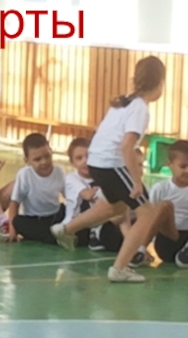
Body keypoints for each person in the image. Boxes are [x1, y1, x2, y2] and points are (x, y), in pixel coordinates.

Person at [50, 56, 177, 282]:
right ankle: (120, 268)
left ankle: (65, 229)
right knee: (147, 213)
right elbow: (127, 146)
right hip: (110, 163)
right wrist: (136, 181)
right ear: (160, 83)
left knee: (114, 207)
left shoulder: (124, 101)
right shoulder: (139, 108)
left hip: (97, 161)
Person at [63, 137, 124, 251]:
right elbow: (88, 195)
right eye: (79, 158)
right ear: (72, 162)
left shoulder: (99, 177)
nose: (85, 161)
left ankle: (99, 235)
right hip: (76, 226)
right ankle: (96, 234)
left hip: (95, 224)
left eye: (89, 156)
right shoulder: (72, 178)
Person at [6, 133, 66, 244]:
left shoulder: (59, 171)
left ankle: (54, 235)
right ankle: (55, 236)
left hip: (55, 216)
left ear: (51, 152)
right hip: (35, 220)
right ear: (27, 161)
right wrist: (12, 231)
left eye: (47, 156)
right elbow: (14, 203)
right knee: (18, 222)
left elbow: (69, 197)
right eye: (37, 159)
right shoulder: (24, 175)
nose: (44, 162)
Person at [149, 140, 188, 266]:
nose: (187, 171)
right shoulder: (160, 188)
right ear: (169, 164)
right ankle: (139, 250)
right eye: (183, 166)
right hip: (169, 239)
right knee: (164, 206)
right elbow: (149, 219)